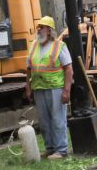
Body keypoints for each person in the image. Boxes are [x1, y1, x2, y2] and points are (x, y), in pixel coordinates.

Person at [23, 16, 74, 159]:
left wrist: (67, 91)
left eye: (42, 27)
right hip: (39, 88)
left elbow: (68, 69)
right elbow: (28, 69)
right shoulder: (34, 46)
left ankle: (61, 150)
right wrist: (28, 87)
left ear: (50, 31)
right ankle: (50, 148)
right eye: (38, 27)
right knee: (44, 122)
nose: (39, 29)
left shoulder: (59, 46)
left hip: (55, 88)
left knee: (58, 120)